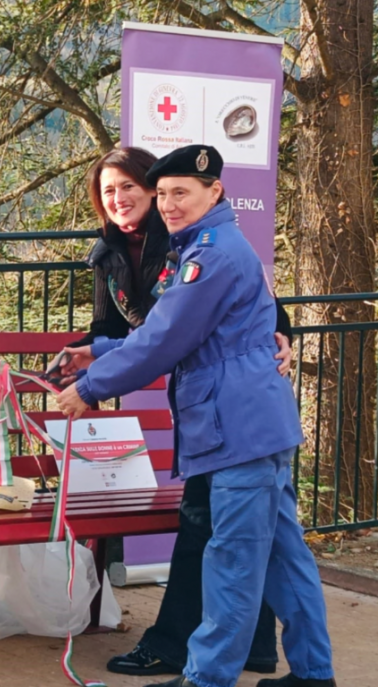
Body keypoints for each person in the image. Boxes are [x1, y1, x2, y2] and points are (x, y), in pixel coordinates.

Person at [57, 145, 335, 687]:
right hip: (253, 425)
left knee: (232, 562)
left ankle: (207, 678)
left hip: (237, 429)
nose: (168, 204)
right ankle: (313, 674)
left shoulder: (210, 256)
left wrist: (89, 388)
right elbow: (176, 331)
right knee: (283, 559)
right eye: (162, 193)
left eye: (180, 192)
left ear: (215, 192)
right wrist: (101, 349)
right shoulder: (210, 247)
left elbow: (164, 340)